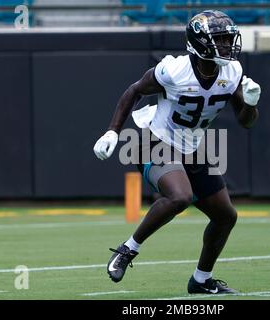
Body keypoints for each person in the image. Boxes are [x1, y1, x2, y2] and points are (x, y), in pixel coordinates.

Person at [93, 10, 261, 294]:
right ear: (199, 43)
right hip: (152, 139)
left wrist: (252, 104)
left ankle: (201, 280)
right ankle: (127, 250)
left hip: (191, 146)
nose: (226, 45)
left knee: (225, 216)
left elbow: (246, 122)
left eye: (227, 39)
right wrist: (112, 131)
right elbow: (133, 91)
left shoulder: (232, 73)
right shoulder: (173, 70)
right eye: (218, 39)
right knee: (179, 196)